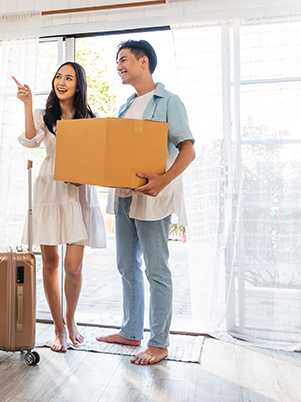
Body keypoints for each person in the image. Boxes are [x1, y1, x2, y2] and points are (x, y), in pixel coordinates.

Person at [97, 39, 195, 365]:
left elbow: (188, 150)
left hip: (153, 197)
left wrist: (163, 180)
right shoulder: (127, 105)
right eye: (117, 62)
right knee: (126, 264)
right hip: (125, 196)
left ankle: (160, 343)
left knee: (157, 269)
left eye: (123, 59)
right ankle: (130, 331)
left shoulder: (169, 101)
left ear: (143, 62)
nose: (119, 66)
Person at [13, 62, 106, 353]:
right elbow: (30, 141)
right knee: (51, 263)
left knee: (73, 266)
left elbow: (98, 157)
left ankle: (71, 318)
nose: (62, 82)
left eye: (69, 78)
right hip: (50, 190)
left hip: (79, 190)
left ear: (79, 85)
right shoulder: (45, 116)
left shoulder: (91, 118)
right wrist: (27, 104)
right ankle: (58, 328)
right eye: (58, 77)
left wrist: (85, 176)